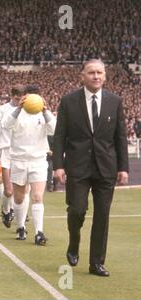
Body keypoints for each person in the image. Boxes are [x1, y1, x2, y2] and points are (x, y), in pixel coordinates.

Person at [53, 59, 129, 277]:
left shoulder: (115, 101)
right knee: (77, 210)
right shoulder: (68, 101)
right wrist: (58, 165)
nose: (96, 76)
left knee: (102, 216)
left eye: (100, 73)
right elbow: (59, 136)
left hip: (106, 168)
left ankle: (96, 263)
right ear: (82, 75)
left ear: (105, 75)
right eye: (92, 72)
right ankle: (73, 242)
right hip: (77, 167)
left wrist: (123, 167)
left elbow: (120, 137)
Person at [2, 91, 56, 245]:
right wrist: (18, 108)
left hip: (38, 160)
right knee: (19, 198)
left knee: (38, 196)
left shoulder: (44, 113)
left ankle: (39, 232)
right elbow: (5, 124)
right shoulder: (15, 113)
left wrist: (45, 111)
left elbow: (54, 129)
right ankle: (21, 227)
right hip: (19, 160)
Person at [0, 85, 26, 226]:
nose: (19, 101)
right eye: (16, 98)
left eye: (22, 98)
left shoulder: (29, 108)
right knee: (9, 190)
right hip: (6, 152)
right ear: (12, 95)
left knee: (24, 189)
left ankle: (21, 217)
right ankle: (6, 210)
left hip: (24, 152)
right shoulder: (1, 111)